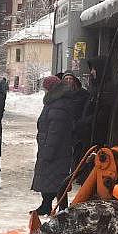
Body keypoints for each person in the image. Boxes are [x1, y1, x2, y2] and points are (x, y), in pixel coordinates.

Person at [32, 75, 75, 215]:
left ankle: (62, 208)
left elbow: (55, 131)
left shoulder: (58, 104)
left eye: (45, 88)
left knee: (57, 179)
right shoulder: (54, 102)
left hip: (56, 149)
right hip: (51, 146)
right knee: (50, 178)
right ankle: (47, 204)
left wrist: (48, 150)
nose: (44, 91)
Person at [61, 71, 90, 170]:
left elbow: (86, 110)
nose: (69, 81)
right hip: (64, 128)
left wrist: (80, 123)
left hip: (78, 129)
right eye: (66, 79)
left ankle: (75, 171)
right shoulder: (60, 94)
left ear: (74, 80)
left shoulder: (83, 94)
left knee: (77, 153)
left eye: (71, 79)